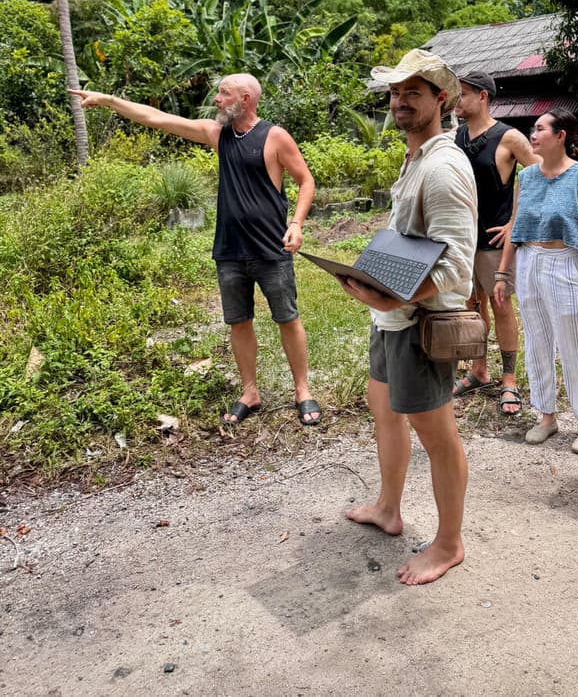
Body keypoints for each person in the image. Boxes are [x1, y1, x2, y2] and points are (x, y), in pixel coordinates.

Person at [69, 74, 322, 427]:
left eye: (224, 93)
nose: (216, 99)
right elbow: (157, 118)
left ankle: (302, 390)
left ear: (246, 99)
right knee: (239, 322)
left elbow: (306, 180)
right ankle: (249, 392)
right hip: (230, 251)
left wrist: (296, 223)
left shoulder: (274, 136)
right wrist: (111, 100)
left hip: (270, 248)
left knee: (287, 318)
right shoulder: (216, 134)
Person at [337, 49, 477, 585]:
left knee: (437, 435)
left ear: (440, 99)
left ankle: (449, 543)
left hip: (419, 325)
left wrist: (396, 298)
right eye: (395, 93)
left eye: (412, 93)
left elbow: (458, 264)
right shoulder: (417, 157)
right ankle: (389, 508)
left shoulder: (442, 167)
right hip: (392, 317)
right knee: (383, 407)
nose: (399, 102)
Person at [494, 110, 578, 453]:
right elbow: (514, 226)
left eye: (540, 128)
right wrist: (503, 273)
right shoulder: (526, 177)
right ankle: (546, 415)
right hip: (530, 261)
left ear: (561, 136)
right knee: (537, 340)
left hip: (566, 262)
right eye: (533, 128)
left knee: (574, 343)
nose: (533, 133)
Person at [452, 71, 539, 412]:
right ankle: (478, 369)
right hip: (462, 239)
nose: (457, 102)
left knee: (501, 304)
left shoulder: (509, 137)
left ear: (483, 96)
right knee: (472, 306)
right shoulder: (455, 137)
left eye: (462, 95)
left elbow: (537, 177)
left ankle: (510, 380)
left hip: (493, 238)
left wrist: (514, 223)